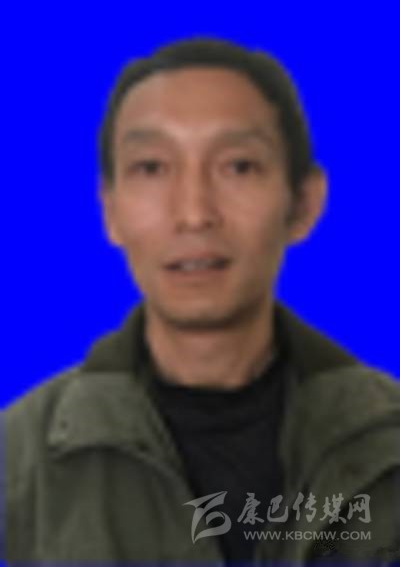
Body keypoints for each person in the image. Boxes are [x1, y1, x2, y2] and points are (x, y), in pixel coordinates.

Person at [4, 37, 400, 565]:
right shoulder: (16, 463)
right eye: (151, 167)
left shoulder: (387, 444)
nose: (193, 213)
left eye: (238, 166)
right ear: (111, 211)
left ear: (303, 204)